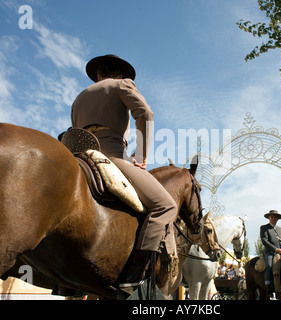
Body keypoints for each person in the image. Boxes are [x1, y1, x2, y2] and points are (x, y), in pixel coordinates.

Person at [71, 54, 179, 299]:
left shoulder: (80, 96)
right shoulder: (122, 85)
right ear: (119, 75)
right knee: (165, 206)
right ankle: (133, 280)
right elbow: (145, 114)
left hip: (78, 154)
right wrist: (141, 155)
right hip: (110, 154)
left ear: (98, 76)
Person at [260, 210, 281, 298]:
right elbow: (264, 241)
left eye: (275, 217)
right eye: (272, 217)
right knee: (270, 265)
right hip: (269, 252)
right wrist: (276, 249)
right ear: (269, 218)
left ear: (278, 218)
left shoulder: (280, 230)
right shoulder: (264, 227)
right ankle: (269, 287)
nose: (274, 218)